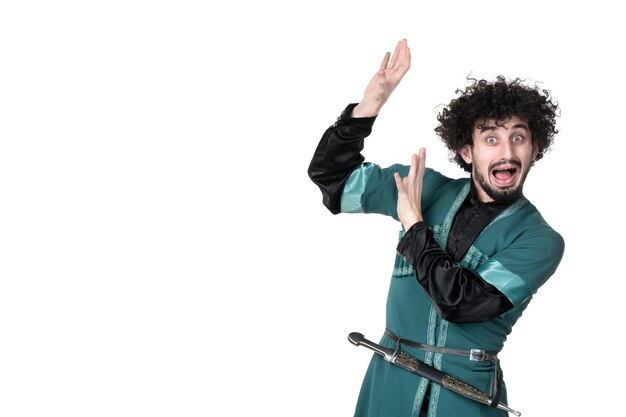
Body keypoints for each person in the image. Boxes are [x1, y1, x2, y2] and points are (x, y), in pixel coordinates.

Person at [308, 39, 564, 417]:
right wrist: (369, 106)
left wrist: (414, 225)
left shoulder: (540, 241)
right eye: (491, 138)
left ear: (534, 149)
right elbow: (333, 178)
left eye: (518, 137)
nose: (506, 151)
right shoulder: (424, 187)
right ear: (467, 151)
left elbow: (459, 304)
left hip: (466, 398)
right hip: (389, 385)